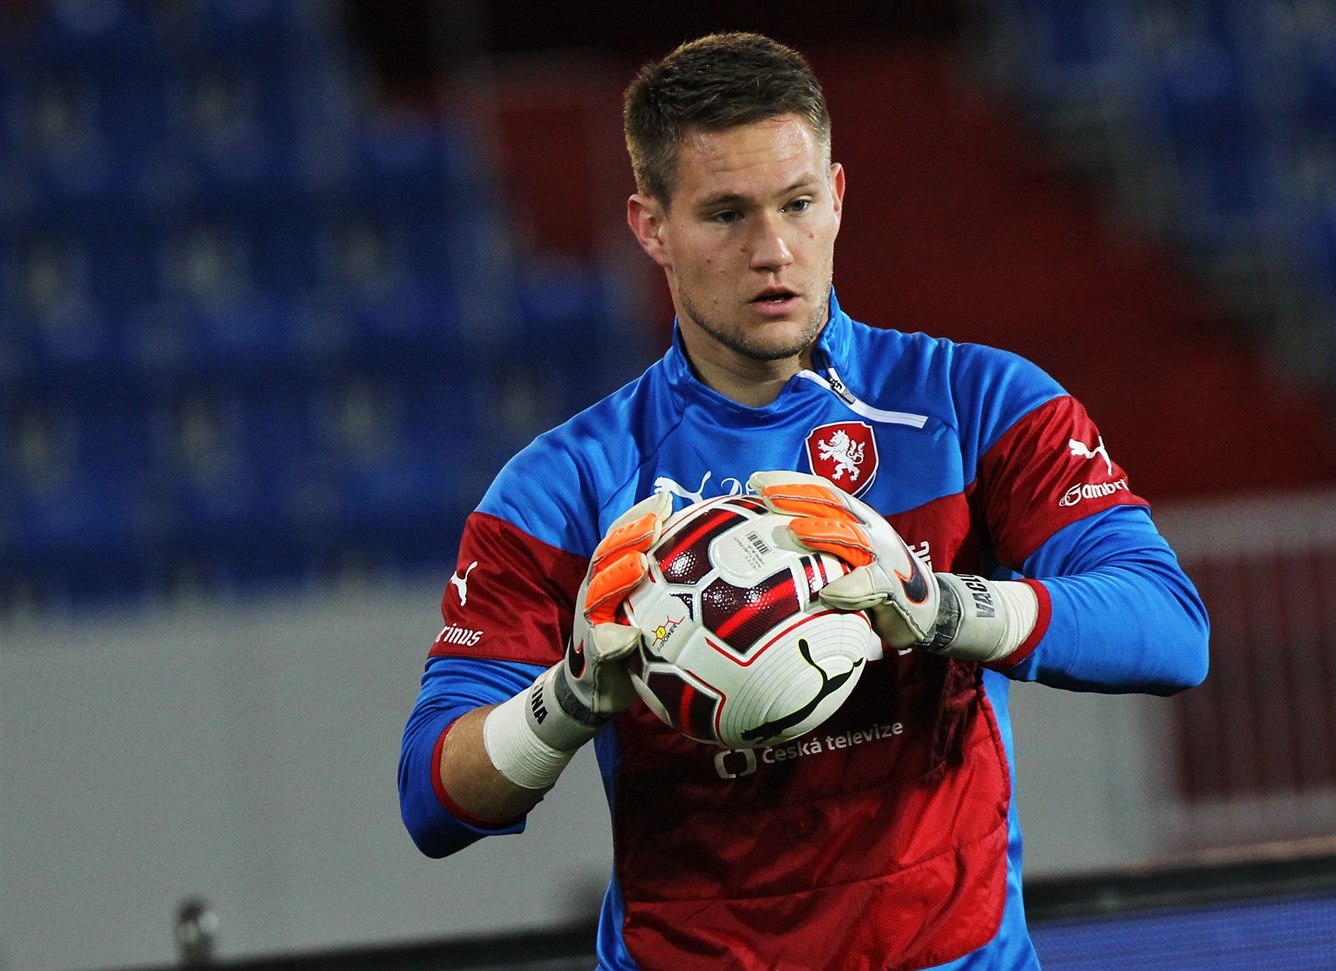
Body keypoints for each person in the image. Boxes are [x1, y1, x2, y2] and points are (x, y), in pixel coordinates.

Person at [399, 31, 1209, 970]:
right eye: (726, 215)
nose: (773, 250)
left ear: (838, 196)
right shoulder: (563, 489)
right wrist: (569, 697)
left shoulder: (976, 403)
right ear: (650, 227)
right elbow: (432, 797)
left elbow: (1169, 628)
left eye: (796, 203)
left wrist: (943, 607)